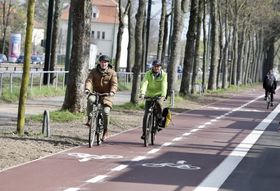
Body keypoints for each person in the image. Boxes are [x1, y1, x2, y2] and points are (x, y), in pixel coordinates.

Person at [84, 55, 118, 142]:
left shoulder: (112, 73)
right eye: (102, 62)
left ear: (108, 63)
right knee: (90, 100)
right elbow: (89, 81)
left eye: (105, 62)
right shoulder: (94, 71)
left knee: (106, 112)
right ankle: (90, 118)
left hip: (107, 95)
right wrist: (87, 89)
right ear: (99, 62)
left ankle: (106, 131)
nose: (104, 64)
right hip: (95, 93)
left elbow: (114, 84)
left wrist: (112, 92)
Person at [139, 60, 167, 139]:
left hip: (159, 95)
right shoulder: (148, 73)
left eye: (158, 66)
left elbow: (164, 85)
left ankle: (159, 122)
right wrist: (142, 93)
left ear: (160, 67)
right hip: (149, 95)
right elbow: (144, 83)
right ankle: (144, 133)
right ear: (152, 66)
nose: (157, 68)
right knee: (146, 115)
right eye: (155, 66)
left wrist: (163, 95)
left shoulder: (164, 75)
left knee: (159, 105)